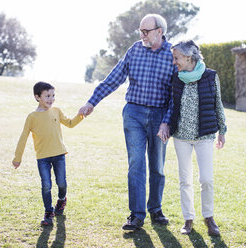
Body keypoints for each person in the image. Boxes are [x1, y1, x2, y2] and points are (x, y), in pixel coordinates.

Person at [79, 14, 175, 231]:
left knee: (157, 165)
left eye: (145, 31)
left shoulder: (173, 55)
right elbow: (113, 78)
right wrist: (92, 102)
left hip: (160, 116)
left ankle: (155, 209)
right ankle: (137, 215)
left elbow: (175, 95)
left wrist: (167, 122)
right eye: (140, 31)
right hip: (134, 113)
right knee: (136, 164)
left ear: (159, 31)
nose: (141, 35)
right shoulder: (134, 50)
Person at [165, 40, 227, 236]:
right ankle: (188, 219)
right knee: (185, 180)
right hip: (181, 136)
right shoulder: (176, 77)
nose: (174, 62)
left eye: (177, 58)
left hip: (205, 135)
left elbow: (218, 103)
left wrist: (222, 131)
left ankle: (209, 218)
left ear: (188, 57)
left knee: (206, 179)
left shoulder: (210, 76)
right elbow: (170, 105)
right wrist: (165, 125)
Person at [12, 82, 84, 226]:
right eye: (47, 96)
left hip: (59, 154)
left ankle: (62, 200)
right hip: (42, 157)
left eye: (53, 95)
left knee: (61, 183)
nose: (51, 99)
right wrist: (17, 157)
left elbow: (69, 123)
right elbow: (23, 137)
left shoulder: (56, 111)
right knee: (46, 185)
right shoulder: (32, 117)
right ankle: (48, 212)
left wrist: (81, 115)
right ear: (37, 97)